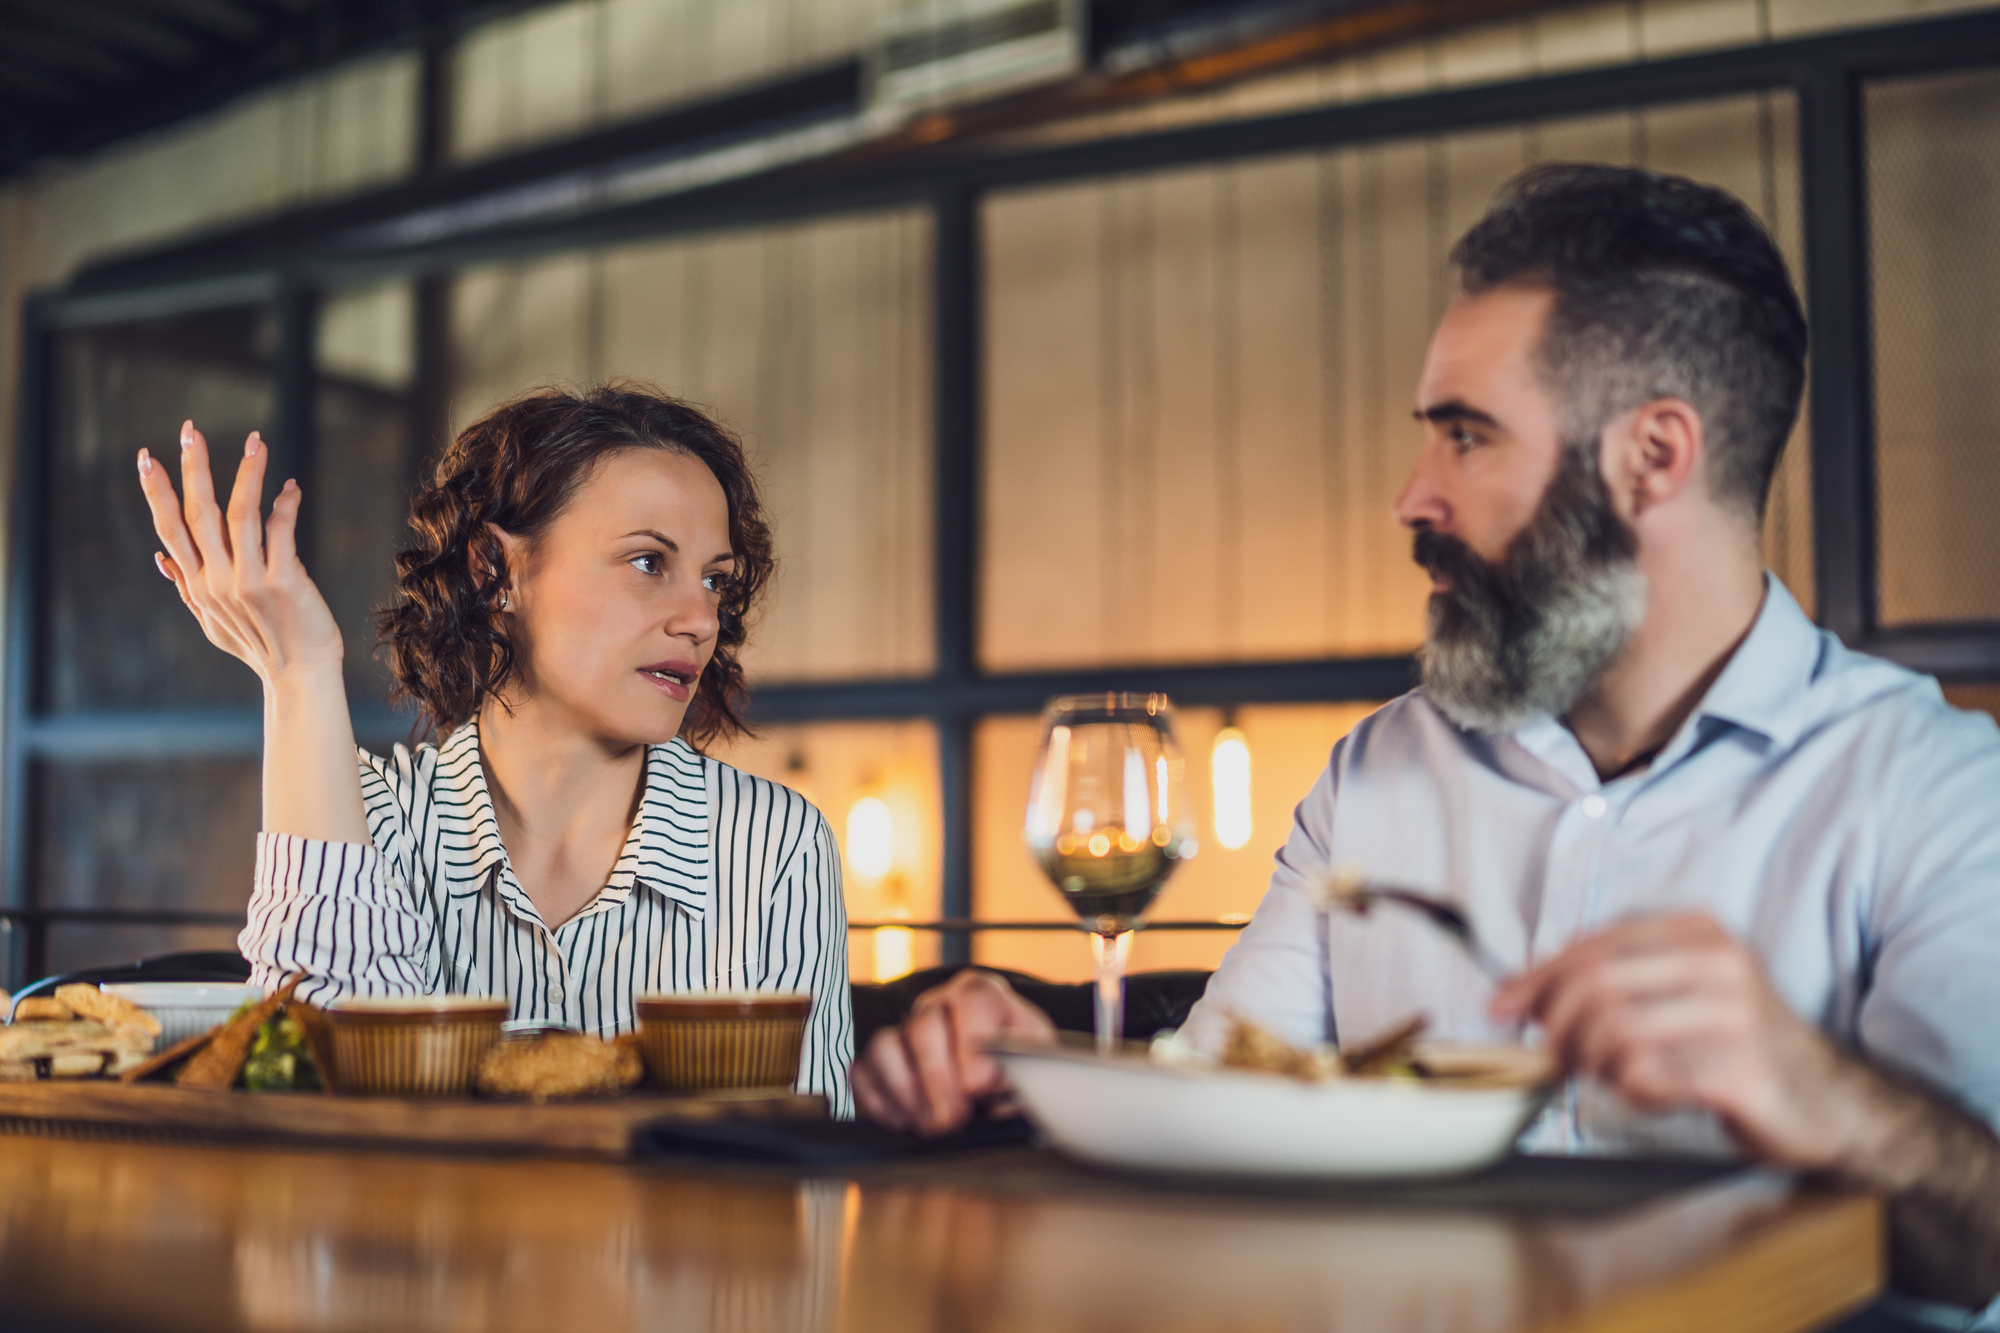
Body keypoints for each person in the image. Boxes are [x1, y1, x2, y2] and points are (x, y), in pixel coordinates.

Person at [852, 165, 2000, 1314]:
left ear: (1654, 455)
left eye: (1466, 437)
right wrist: (1038, 1077)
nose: (1411, 496)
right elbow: (1216, 1111)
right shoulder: (1375, 774)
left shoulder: (1936, 788)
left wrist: (1814, 1089)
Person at [138, 384, 854, 1115]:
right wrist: (298, 674)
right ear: (494, 572)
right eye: (648, 562)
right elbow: (312, 1104)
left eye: (714, 580)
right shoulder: (369, 820)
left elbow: (812, 1162)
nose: (702, 618)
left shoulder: (775, 847)